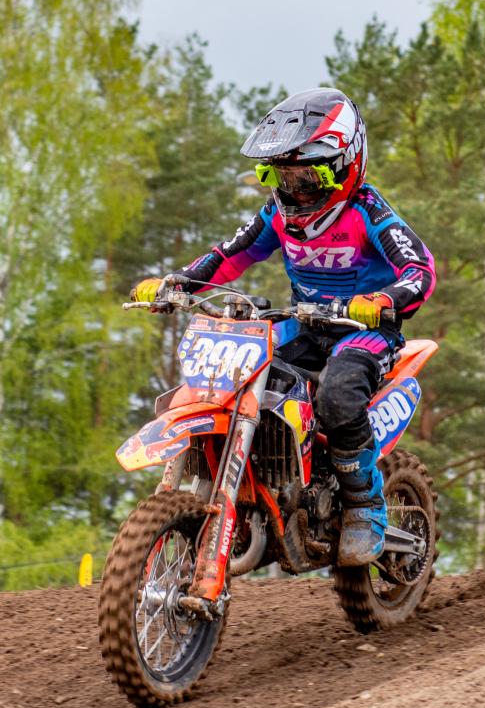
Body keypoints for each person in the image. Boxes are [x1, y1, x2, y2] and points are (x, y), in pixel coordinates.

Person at [130, 88, 436, 567]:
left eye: (306, 178)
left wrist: (384, 300)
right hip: (306, 325)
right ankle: (265, 479)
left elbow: (420, 271)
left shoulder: (369, 214)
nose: (294, 190)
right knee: (237, 374)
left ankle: (365, 505)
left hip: (364, 331)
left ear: (344, 166)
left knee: (338, 395)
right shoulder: (277, 215)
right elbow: (229, 255)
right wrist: (177, 283)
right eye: (280, 176)